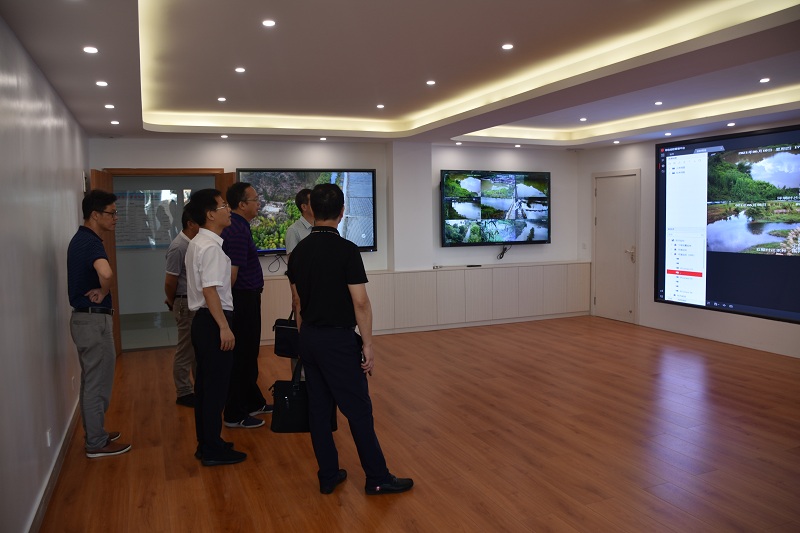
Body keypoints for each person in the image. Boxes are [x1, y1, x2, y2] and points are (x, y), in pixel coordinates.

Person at [288, 183, 413, 495]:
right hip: (337, 342)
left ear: (312, 210)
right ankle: (377, 478)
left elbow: (297, 302)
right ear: (342, 212)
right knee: (358, 410)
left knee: (319, 411)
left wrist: (304, 339)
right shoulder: (346, 250)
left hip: (309, 338)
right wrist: (367, 344)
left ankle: (328, 475)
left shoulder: (299, 251)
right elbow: (360, 302)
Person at [67, 189, 132, 458]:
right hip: (92, 321)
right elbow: (106, 272)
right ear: (95, 215)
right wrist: (104, 291)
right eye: (111, 213)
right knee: (97, 382)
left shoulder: (81, 239)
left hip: (85, 320)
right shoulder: (90, 242)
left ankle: (96, 434)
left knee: (92, 380)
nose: (116, 218)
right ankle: (96, 442)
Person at [185, 189, 246, 466]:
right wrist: (224, 327)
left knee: (206, 387)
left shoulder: (199, 242)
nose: (229, 210)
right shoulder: (209, 247)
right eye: (223, 206)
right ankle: (211, 449)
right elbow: (210, 290)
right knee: (215, 389)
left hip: (204, 321)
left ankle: (208, 442)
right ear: (210, 214)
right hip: (213, 321)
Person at [221, 182, 271, 429]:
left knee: (249, 354)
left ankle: (252, 402)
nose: (258, 203)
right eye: (254, 199)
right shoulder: (237, 230)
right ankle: (235, 412)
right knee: (243, 356)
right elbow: (232, 275)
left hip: (245, 298)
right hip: (242, 299)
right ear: (241, 204)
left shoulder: (239, 226)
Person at [164, 205, 200, 407]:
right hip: (184, 302)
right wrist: (173, 301)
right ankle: (184, 391)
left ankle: (197, 387)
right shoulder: (179, 247)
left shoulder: (192, 244)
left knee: (194, 349)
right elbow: (170, 282)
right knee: (185, 350)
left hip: (191, 301)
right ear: (190, 224)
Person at [285, 188, 313, 254]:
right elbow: (292, 259)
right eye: (314, 202)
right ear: (304, 207)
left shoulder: (320, 226)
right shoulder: (293, 230)